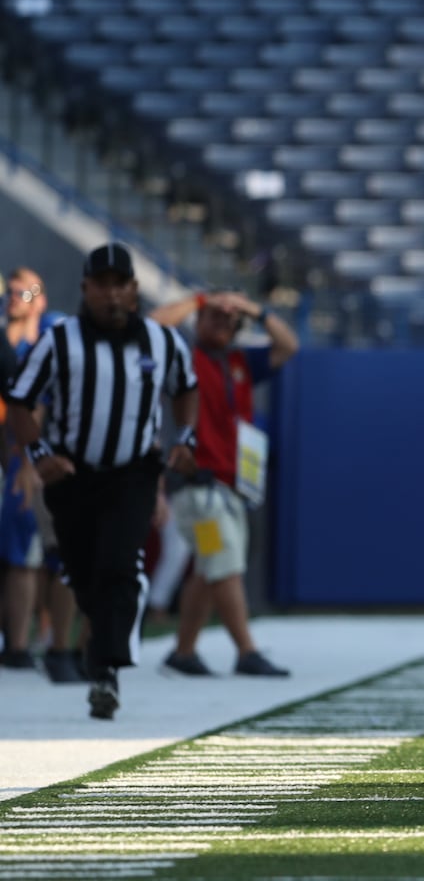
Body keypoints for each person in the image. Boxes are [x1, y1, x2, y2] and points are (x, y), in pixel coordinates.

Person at [4, 244, 199, 719]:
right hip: (72, 471)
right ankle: (85, 649)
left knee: (117, 564)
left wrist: (186, 438)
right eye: (102, 284)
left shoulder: (161, 340)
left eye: (120, 284)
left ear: (133, 290)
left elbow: (186, 387)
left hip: (133, 471)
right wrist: (40, 454)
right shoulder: (60, 340)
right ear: (85, 289)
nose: (111, 294)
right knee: (77, 571)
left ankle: (106, 668)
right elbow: (22, 401)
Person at [148, 290, 298, 678]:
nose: (221, 324)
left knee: (208, 567)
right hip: (197, 486)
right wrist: (201, 299)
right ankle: (246, 650)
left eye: (228, 320)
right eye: (213, 318)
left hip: (232, 484)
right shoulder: (185, 358)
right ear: (198, 322)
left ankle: (183, 652)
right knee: (226, 564)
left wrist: (252, 307)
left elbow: (288, 344)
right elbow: (153, 324)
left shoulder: (240, 362)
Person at [1, 266, 82, 682]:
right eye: (10, 291)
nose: (15, 298)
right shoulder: (6, 339)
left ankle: (47, 641)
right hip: (15, 456)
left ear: (42, 297)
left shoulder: (52, 337)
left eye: (24, 292)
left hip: (40, 458)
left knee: (42, 555)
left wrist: (29, 459)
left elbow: (34, 405)